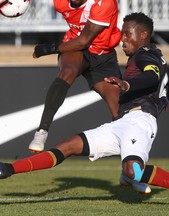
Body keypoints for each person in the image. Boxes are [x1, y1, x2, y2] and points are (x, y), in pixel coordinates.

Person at [0, 12, 169, 206]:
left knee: (134, 171)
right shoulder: (154, 56)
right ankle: (7, 169)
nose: (122, 39)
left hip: (139, 122)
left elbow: (152, 77)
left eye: (128, 34)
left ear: (143, 36)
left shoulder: (145, 55)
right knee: (68, 145)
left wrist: (129, 83)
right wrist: (164, 99)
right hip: (123, 122)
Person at [28, 0, 122, 153]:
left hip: (102, 55)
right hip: (74, 48)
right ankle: (42, 132)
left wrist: (47, 49)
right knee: (68, 72)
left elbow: (84, 41)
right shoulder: (60, 2)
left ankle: (131, 159)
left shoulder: (104, 2)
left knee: (120, 111)